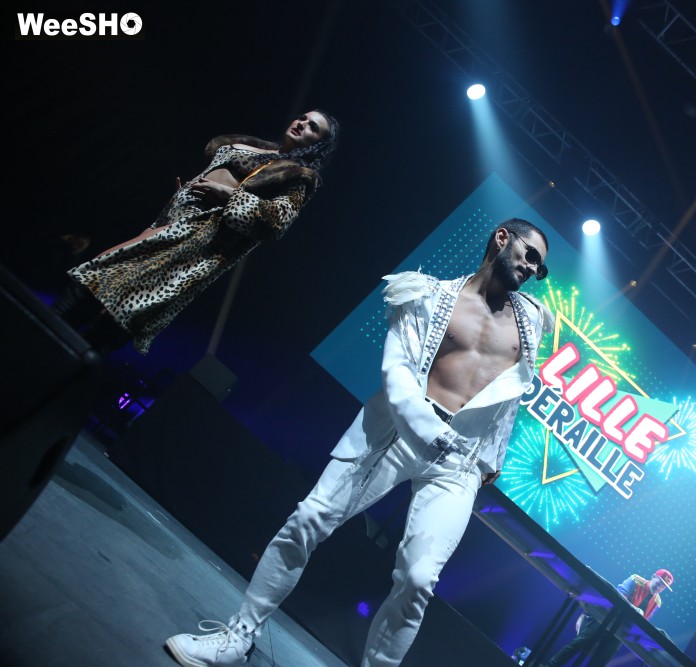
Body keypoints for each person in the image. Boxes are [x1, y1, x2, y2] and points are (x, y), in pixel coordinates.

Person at [164, 219, 554, 667]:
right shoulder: (423, 293)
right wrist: (431, 431)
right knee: (309, 519)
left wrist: (492, 456)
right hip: (396, 433)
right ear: (502, 237)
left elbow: (512, 393)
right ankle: (237, 636)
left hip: (459, 463)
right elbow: (397, 372)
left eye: (540, 267)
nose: (531, 268)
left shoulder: (532, 322)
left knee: (420, 578)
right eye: (530, 254)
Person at [52, 109, 339, 354]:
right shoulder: (259, 146)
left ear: (318, 144)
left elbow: (275, 222)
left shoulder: (299, 177)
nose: (302, 123)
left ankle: (61, 366)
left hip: (195, 244)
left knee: (122, 307)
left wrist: (227, 195)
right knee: (92, 283)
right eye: (303, 117)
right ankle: (42, 339)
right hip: (169, 223)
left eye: (313, 126)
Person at [540, 568, 674, 667]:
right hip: (606, 618)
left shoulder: (657, 601)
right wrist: (635, 610)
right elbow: (618, 596)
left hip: (621, 631)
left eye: (663, 586)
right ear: (653, 576)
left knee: (601, 661)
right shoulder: (635, 580)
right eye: (660, 582)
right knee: (579, 644)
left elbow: (643, 620)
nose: (660, 587)